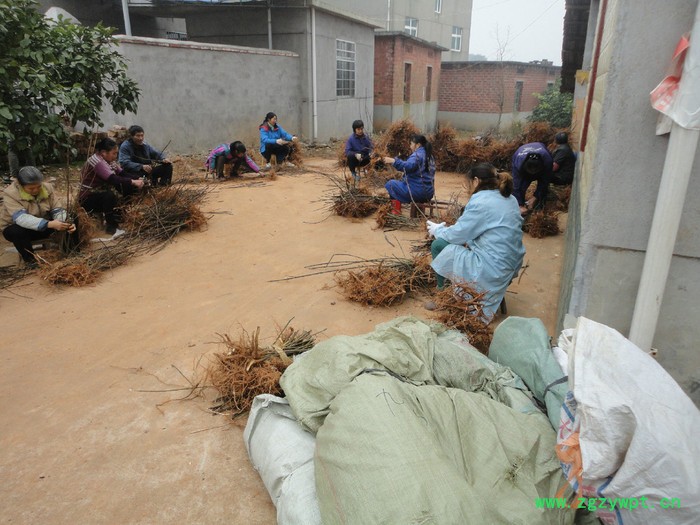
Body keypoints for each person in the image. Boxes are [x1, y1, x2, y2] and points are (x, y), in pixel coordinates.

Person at [427, 163, 525, 321]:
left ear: (477, 181)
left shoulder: (481, 202)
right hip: (511, 264)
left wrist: (438, 231)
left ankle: (443, 295)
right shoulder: (510, 198)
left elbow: (457, 235)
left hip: (492, 267)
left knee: (438, 245)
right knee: (460, 245)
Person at [1, 166, 77, 268]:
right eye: (31, 188)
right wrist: (49, 224)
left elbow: (57, 209)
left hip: (46, 226)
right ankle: (31, 261)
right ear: (20, 185)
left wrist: (65, 222)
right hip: (23, 230)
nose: (36, 190)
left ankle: (72, 253)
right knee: (16, 231)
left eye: (38, 186)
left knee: (72, 217)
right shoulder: (10, 194)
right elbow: (21, 218)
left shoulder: (47, 188)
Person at [80, 138, 145, 236]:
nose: (116, 156)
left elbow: (122, 173)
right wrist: (133, 181)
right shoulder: (98, 162)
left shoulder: (108, 160)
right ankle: (111, 227)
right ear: (103, 153)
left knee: (128, 186)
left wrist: (137, 178)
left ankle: (120, 215)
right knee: (109, 196)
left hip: (98, 192)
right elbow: (113, 179)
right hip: (87, 198)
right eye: (114, 153)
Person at [383, 134, 436, 215]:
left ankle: (395, 210)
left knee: (391, 184)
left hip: (418, 192)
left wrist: (393, 161)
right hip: (429, 193)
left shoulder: (417, 155)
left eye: (411, 144)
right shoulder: (430, 156)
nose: (410, 146)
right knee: (402, 183)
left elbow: (408, 166)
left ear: (417, 145)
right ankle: (417, 211)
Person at [511, 142, 553, 215]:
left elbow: (545, 181)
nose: (533, 173)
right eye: (531, 171)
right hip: (522, 164)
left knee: (543, 188)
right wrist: (519, 205)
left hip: (541, 166)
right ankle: (520, 204)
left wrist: (535, 197)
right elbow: (516, 185)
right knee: (521, 186)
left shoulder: (547, 161)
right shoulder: (519, 163)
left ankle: (540, 203)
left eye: (535, 171)